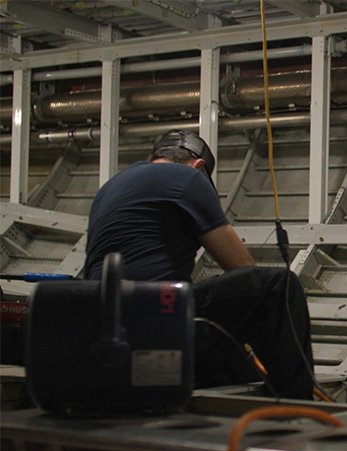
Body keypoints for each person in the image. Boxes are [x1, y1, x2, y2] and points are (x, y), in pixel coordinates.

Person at [84, 129, 315, 400]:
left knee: (227, 349)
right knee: (277, 287)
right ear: (199, 165)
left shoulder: (112, 185)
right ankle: (296, 404)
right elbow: (242, 268)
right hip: (157, 316)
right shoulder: (188, 177)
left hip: (100, 322)